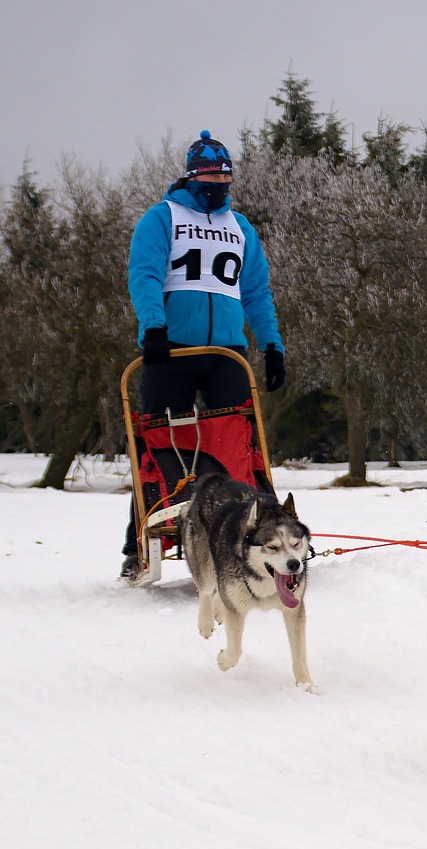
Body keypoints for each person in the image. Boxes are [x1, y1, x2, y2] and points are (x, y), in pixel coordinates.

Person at [119, 130, 287, 584]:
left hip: (225, 354)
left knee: (239, 442)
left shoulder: (241, 227)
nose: (217, 186)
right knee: (155, 443)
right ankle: (138, 543)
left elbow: (256, 292)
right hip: (170, 348)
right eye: (209, 178)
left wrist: (272, 345)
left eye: (224, 179)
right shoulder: (162, 217)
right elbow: (146, 275)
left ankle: (261, 530)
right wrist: (152, 325)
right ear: (192, 178)